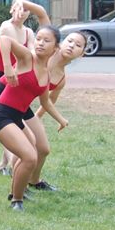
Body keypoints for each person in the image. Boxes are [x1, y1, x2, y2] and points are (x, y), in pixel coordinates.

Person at [0, 26, 69, 211]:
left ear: (55, 48)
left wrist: (61, 120)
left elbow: (46, 102)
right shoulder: (27, 58)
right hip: (1, 115)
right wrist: (8, 67)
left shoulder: (46, 74)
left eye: (46, 40)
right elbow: (4, 40)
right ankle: (17, 200)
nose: (40, 43)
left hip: (16, 117)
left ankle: (17, 190)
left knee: (34, 149)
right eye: (38, 39)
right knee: (29, 157)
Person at [0, 0, 47, 175]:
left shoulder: (29, 33)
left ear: (29, 13)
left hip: (15, 83)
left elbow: (34, 54)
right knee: (4, 122)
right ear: (11, 8)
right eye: (18, 8)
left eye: (25, 9)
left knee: (14, 122)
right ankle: (13, 166)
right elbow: (11, 47)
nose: (21, 12)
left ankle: (3, 165)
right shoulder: (6, 26)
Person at [23, 30, 85, 191]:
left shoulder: (61, 78)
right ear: (60, 43)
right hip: (9, 101)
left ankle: (34, 181)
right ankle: (18, 187)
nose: (72, 46)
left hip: (23, 108)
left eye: (78, 45)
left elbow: (49, 100)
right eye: (70, 41)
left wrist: (37, 117)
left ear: (82, 54)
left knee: (43, 149)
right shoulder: (45, 54)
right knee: (26, 147)